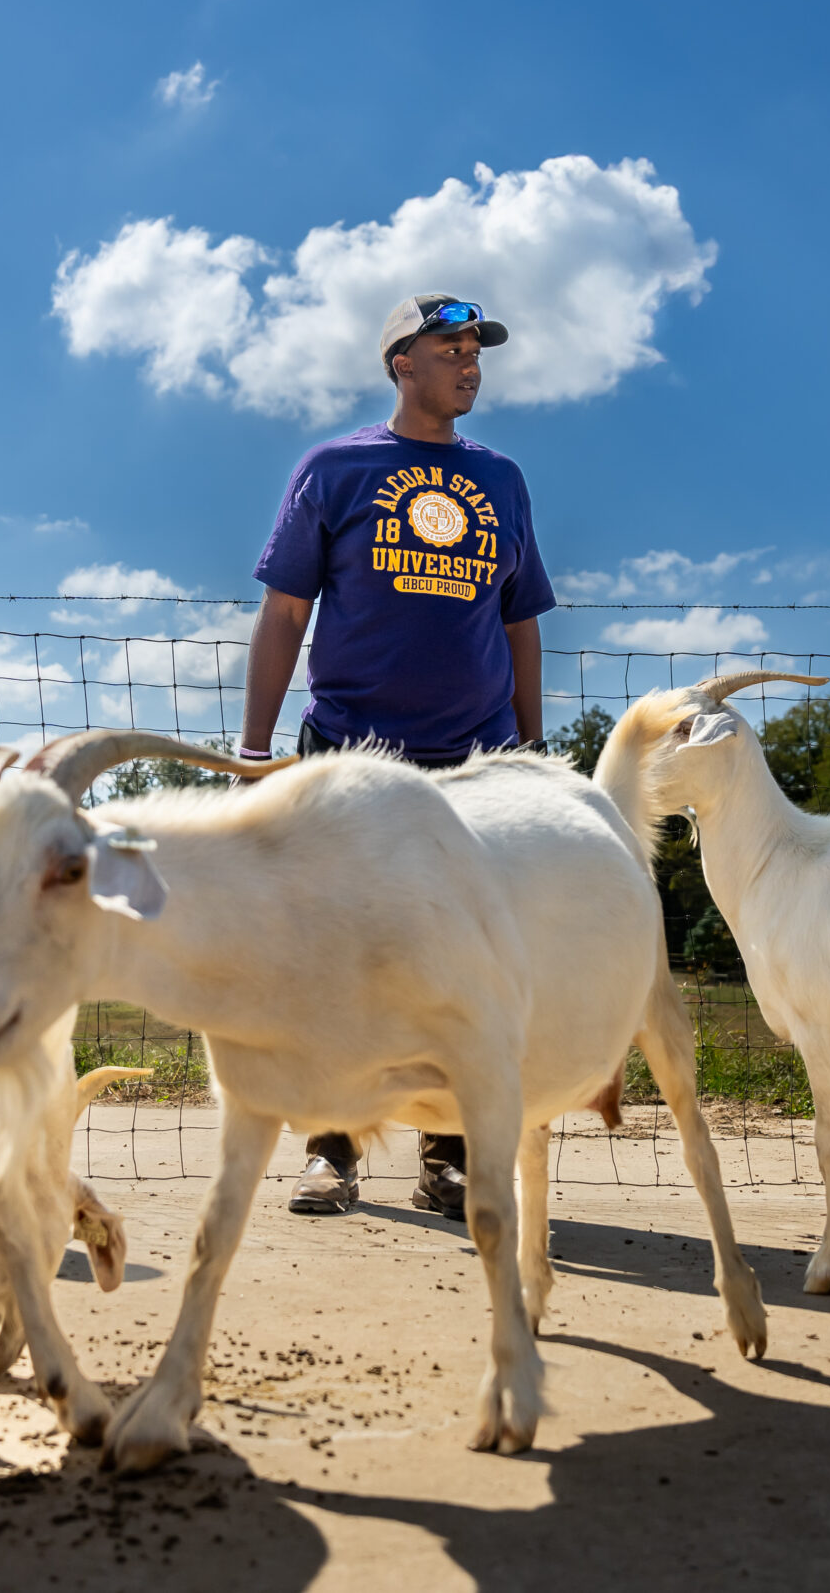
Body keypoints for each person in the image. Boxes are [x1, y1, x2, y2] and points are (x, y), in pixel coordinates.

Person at [238, 292, 556, 1219]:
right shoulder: (335, 470)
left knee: (466, 965)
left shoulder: (501, 480)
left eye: (475, 350)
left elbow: (521, 623)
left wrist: (532, 755)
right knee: (338, 956)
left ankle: (449, 1156)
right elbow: (285, 614)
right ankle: (331, 1148)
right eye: (448, 347)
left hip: (478, 767)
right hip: (348, 756)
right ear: (399, 363)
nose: (469, 363)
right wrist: (258, 747)